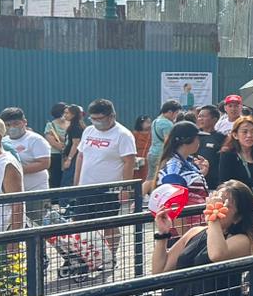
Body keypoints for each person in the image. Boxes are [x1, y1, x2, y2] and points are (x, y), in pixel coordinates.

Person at [74, 100, 137, 235]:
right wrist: (76, 182)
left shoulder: (123, 135)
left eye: (100, 118)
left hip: (109, 190)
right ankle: (86, 254)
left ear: (111, 116)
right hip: (85, 187)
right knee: (79, 224)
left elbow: (129, 162)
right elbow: (81, 156)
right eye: (93, 118)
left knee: (108, 224)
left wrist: (125, 188)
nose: (96, 122)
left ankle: (110, 254)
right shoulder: (88, 131)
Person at [155, 121, 210, 228]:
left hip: (193, 226)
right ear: (186, 140)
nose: (199, 141)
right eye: (197, 138)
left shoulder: (185, 162)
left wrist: (202, 174)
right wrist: (185, 239)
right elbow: (173, 205)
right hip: (184, 231)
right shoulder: (174, 169)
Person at [1, 108, 51, 221]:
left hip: (34, 192)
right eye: (8, 125)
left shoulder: (35, 140)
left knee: (34, 226)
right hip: (13, 193)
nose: (12, 127)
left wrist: (16, 171)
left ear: (24, 122)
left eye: (15, 123)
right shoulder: (3, 141)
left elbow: (44, 163)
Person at [219, 115, 253, 194]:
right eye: (245, 132)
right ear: (235, 135)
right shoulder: (228, 154)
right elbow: (225, 182)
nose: (249, 135)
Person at [147, 100, 180, 185]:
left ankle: (145, 195)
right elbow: (168, 142)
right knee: (158, 178)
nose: (176, 116)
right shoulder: (167, 123)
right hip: (161, 155)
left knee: (150, 177)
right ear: (170, 112)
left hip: (152, 153)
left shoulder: (156, 121)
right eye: (176, 113)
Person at [194, 105, 225, 190]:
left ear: (214, 120)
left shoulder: (221, 138)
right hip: (196, 182)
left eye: (203, 116)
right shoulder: (194, 136)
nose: (200, 119)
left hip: (214, 184)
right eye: (199, 116)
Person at [43, 103, 69, 190]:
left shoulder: (71, 124)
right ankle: (55, 201)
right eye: (65, 112)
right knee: (55, 178)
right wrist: (64, 148)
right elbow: (52, 142)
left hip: (69, 156)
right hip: (56, 156)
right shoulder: (50, 125)